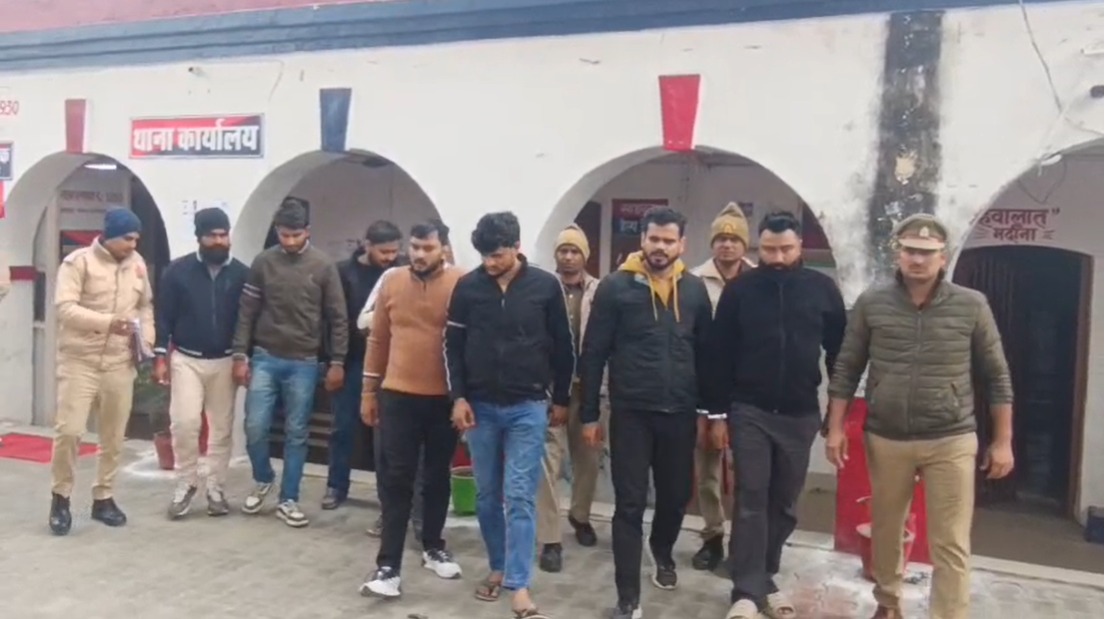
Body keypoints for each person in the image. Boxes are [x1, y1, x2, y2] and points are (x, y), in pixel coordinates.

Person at [823, 213, 1014, 619]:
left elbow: (997, 376)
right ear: (898, 253)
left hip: (951, 438)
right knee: (886, 529)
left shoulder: (971, 305)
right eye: (910, 250)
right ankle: (888, 603)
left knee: (950, 540)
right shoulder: (873, 303)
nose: (917, 259)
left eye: (927, 252)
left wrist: (1003, 441)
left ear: (943, 257)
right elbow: (847, 367)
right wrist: (835, 428)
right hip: (887, 437)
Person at [704, 210, 846, 619]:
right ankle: (747, 592)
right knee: (751, 498)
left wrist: (836, 413)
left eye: (785, 249)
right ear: (759, 247)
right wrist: (717, 415)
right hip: (750, 410)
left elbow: (840, 355)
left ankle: (764, 577)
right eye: (769, 249)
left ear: (800, 246)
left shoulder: (822, 290)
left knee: (784, 504)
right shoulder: (740, 291)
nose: (778, 257)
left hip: (800, 413)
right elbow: (719, 355)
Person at [578, 206, 713, 619]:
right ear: (643, 240)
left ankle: (662, 549)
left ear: (682, 244)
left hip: (680, 413)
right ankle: (628, 598)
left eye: (668, 241)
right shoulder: (615, 288)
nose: (660, 247)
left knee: (675, 497)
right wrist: (589, 415)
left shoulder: (694, 291)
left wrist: (711, 413)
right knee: (630, 504)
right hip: (631, 413)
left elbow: (707, 354)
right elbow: (594, 353)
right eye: (654, 238)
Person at [444, 211, 574, 619]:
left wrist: (562, 398)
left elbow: (564, 346)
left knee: (519, 495)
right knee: (487, 495)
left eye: (497, 255)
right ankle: (498, 567)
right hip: (480, 407)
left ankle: (519, 584)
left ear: (517, 247)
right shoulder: (468, 288)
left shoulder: (545, 286)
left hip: (528, 406)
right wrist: (458, 398)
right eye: (484, 255)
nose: (489, 263)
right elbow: (452, 347)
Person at [359, 219, 464, 598]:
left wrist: (465, 397)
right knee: (396, 480)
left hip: (443, 399)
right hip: (397, 396)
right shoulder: (391, 281)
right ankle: (388, 566)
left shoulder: (461, 284)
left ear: (444, 249)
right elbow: (378, 340)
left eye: (427, 248)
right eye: (415, 247)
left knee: (436, 477)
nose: (419, 254)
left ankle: (433, 546)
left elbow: (469, 343)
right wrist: (368, 393)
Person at [232, 198, 349, 528]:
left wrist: (338, 361)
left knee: (297, 433)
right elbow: (247, 312)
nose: (290, 241)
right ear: (277, 231)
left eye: (296, 235)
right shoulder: (263, 262)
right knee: (255, 427)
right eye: (284, 235)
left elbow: (338, 317)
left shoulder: (323, 266)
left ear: (307, 231)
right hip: (265, 356)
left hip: (305, 362)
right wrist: (240, 355)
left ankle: (289, 498)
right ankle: (264, 478)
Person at [48, 207, 155, 536]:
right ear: (111, 236)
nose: (134, 244)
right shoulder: (78, 263)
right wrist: (108, 323)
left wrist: (147, 340)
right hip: (80, 361)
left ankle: (103, 497)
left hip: (119, 362)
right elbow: (65, 309)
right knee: (70, 431)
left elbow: (145, 306)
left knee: (113, 435)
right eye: (128, 238)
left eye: (137, 239)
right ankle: (61, 497)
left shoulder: (137, 265)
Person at [154, 207, 248, 519]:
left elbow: (248, 320)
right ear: (199, 238)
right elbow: (164, 316)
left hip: (225, 360)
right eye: (212, 236)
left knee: (222, 428)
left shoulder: (242, 274)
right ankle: (186, 483)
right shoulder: (177, 272)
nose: (219, 241)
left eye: (224, 235)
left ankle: (216, 488)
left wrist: (243, 358)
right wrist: (160, 357)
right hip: (186, 359)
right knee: (184, 423)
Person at [536, 223, 608, 573]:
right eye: (563, 250)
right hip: (550, 389)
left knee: (588, 458)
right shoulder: (542, 289)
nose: (568, 257)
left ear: (585, 255)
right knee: (548, 462)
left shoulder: (600, 290)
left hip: (589, 388)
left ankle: (580, 515)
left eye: (574, 251)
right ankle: (550, 538)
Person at [688, 202, 756, 572]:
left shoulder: (758, 280)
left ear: (744, 245)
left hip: (749, 390)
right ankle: (712, 536)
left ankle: (745, 543)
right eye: (721, 239)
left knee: (751, 472)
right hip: (705, 387)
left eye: (734, 239)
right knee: (708, 472)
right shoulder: (694, 281)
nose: (727, 245)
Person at [324, 219, 403, 511]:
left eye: (394, 251)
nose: (390, 257)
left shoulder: (401, 272)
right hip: (354, 360)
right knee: (343, 427)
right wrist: (335, 362)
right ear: (367, 245)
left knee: (386, 434)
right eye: (384, 252)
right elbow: (335, 320)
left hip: (392, 363)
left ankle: (387, 496)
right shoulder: (344, 273)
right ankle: (336, 485)